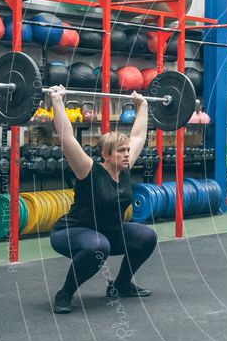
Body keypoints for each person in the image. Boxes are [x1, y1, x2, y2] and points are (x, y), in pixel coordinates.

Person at [48, 86, 158, 314]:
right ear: (106, 155)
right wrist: (57, 102)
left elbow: (138, 136)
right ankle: (65, 293)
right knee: (99, 246)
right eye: (121, 151)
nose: (127, 154)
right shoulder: (88, 170)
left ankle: (121, 285)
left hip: (108, 232)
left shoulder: (124, 168)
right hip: (73, 232)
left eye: (128, 150)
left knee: (146, 236)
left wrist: (143, 105)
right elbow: (67, 139)